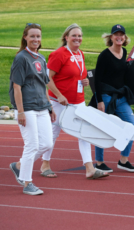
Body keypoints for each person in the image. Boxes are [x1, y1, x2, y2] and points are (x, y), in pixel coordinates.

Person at [42, 23, 109, 179]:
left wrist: (84, 81)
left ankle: (90, 168)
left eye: (80, 35)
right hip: (59, 102)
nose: (77, 38)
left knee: (83, 133)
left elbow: (78, 74)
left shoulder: (80, 54)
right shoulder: (59, 54)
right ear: (66, 37)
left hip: (78, 101)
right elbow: (47, 78)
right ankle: (44, 164)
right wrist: (58, 95)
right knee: (53, 133)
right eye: (74, 35)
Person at [9, 23, 55, 195]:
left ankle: (19, 165)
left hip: (42, 106)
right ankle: (27, 182)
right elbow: (16, 87)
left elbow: (44, 84)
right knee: (32, 145)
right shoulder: (21, 58)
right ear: (25, 38)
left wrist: (50, 106)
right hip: (26, 108)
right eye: (32, 36)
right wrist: (20, 111)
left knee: (47, 143)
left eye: (38, 36)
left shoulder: (41, 58)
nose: (36, 39)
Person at [92, 24, 134, 173]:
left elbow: (122, 73)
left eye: (122, 35)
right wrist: (99, 100)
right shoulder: (105, 55)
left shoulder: (124, 52)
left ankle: (123, 160)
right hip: (106, 97)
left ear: (125, 38)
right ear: (111, 37)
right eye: (116, 34)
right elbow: (97, 80)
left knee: (132, 127)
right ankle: (99, 162)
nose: (119, 37)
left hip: (121, 97)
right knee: (102, 130)